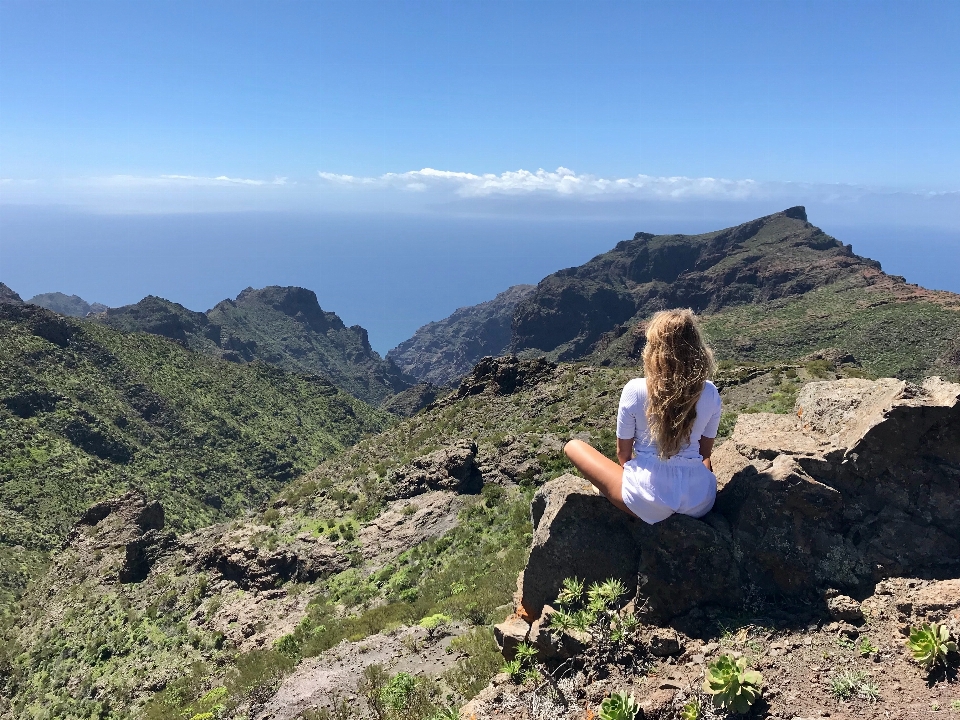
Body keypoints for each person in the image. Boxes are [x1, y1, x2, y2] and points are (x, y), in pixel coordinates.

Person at [563, 308, 722, 524]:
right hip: (699, 500)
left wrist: (633, 482)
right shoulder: (711, 392)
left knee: (572, 446)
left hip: (645, 498)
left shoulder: (635, 389)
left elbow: (623, 455)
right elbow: (704, 455)